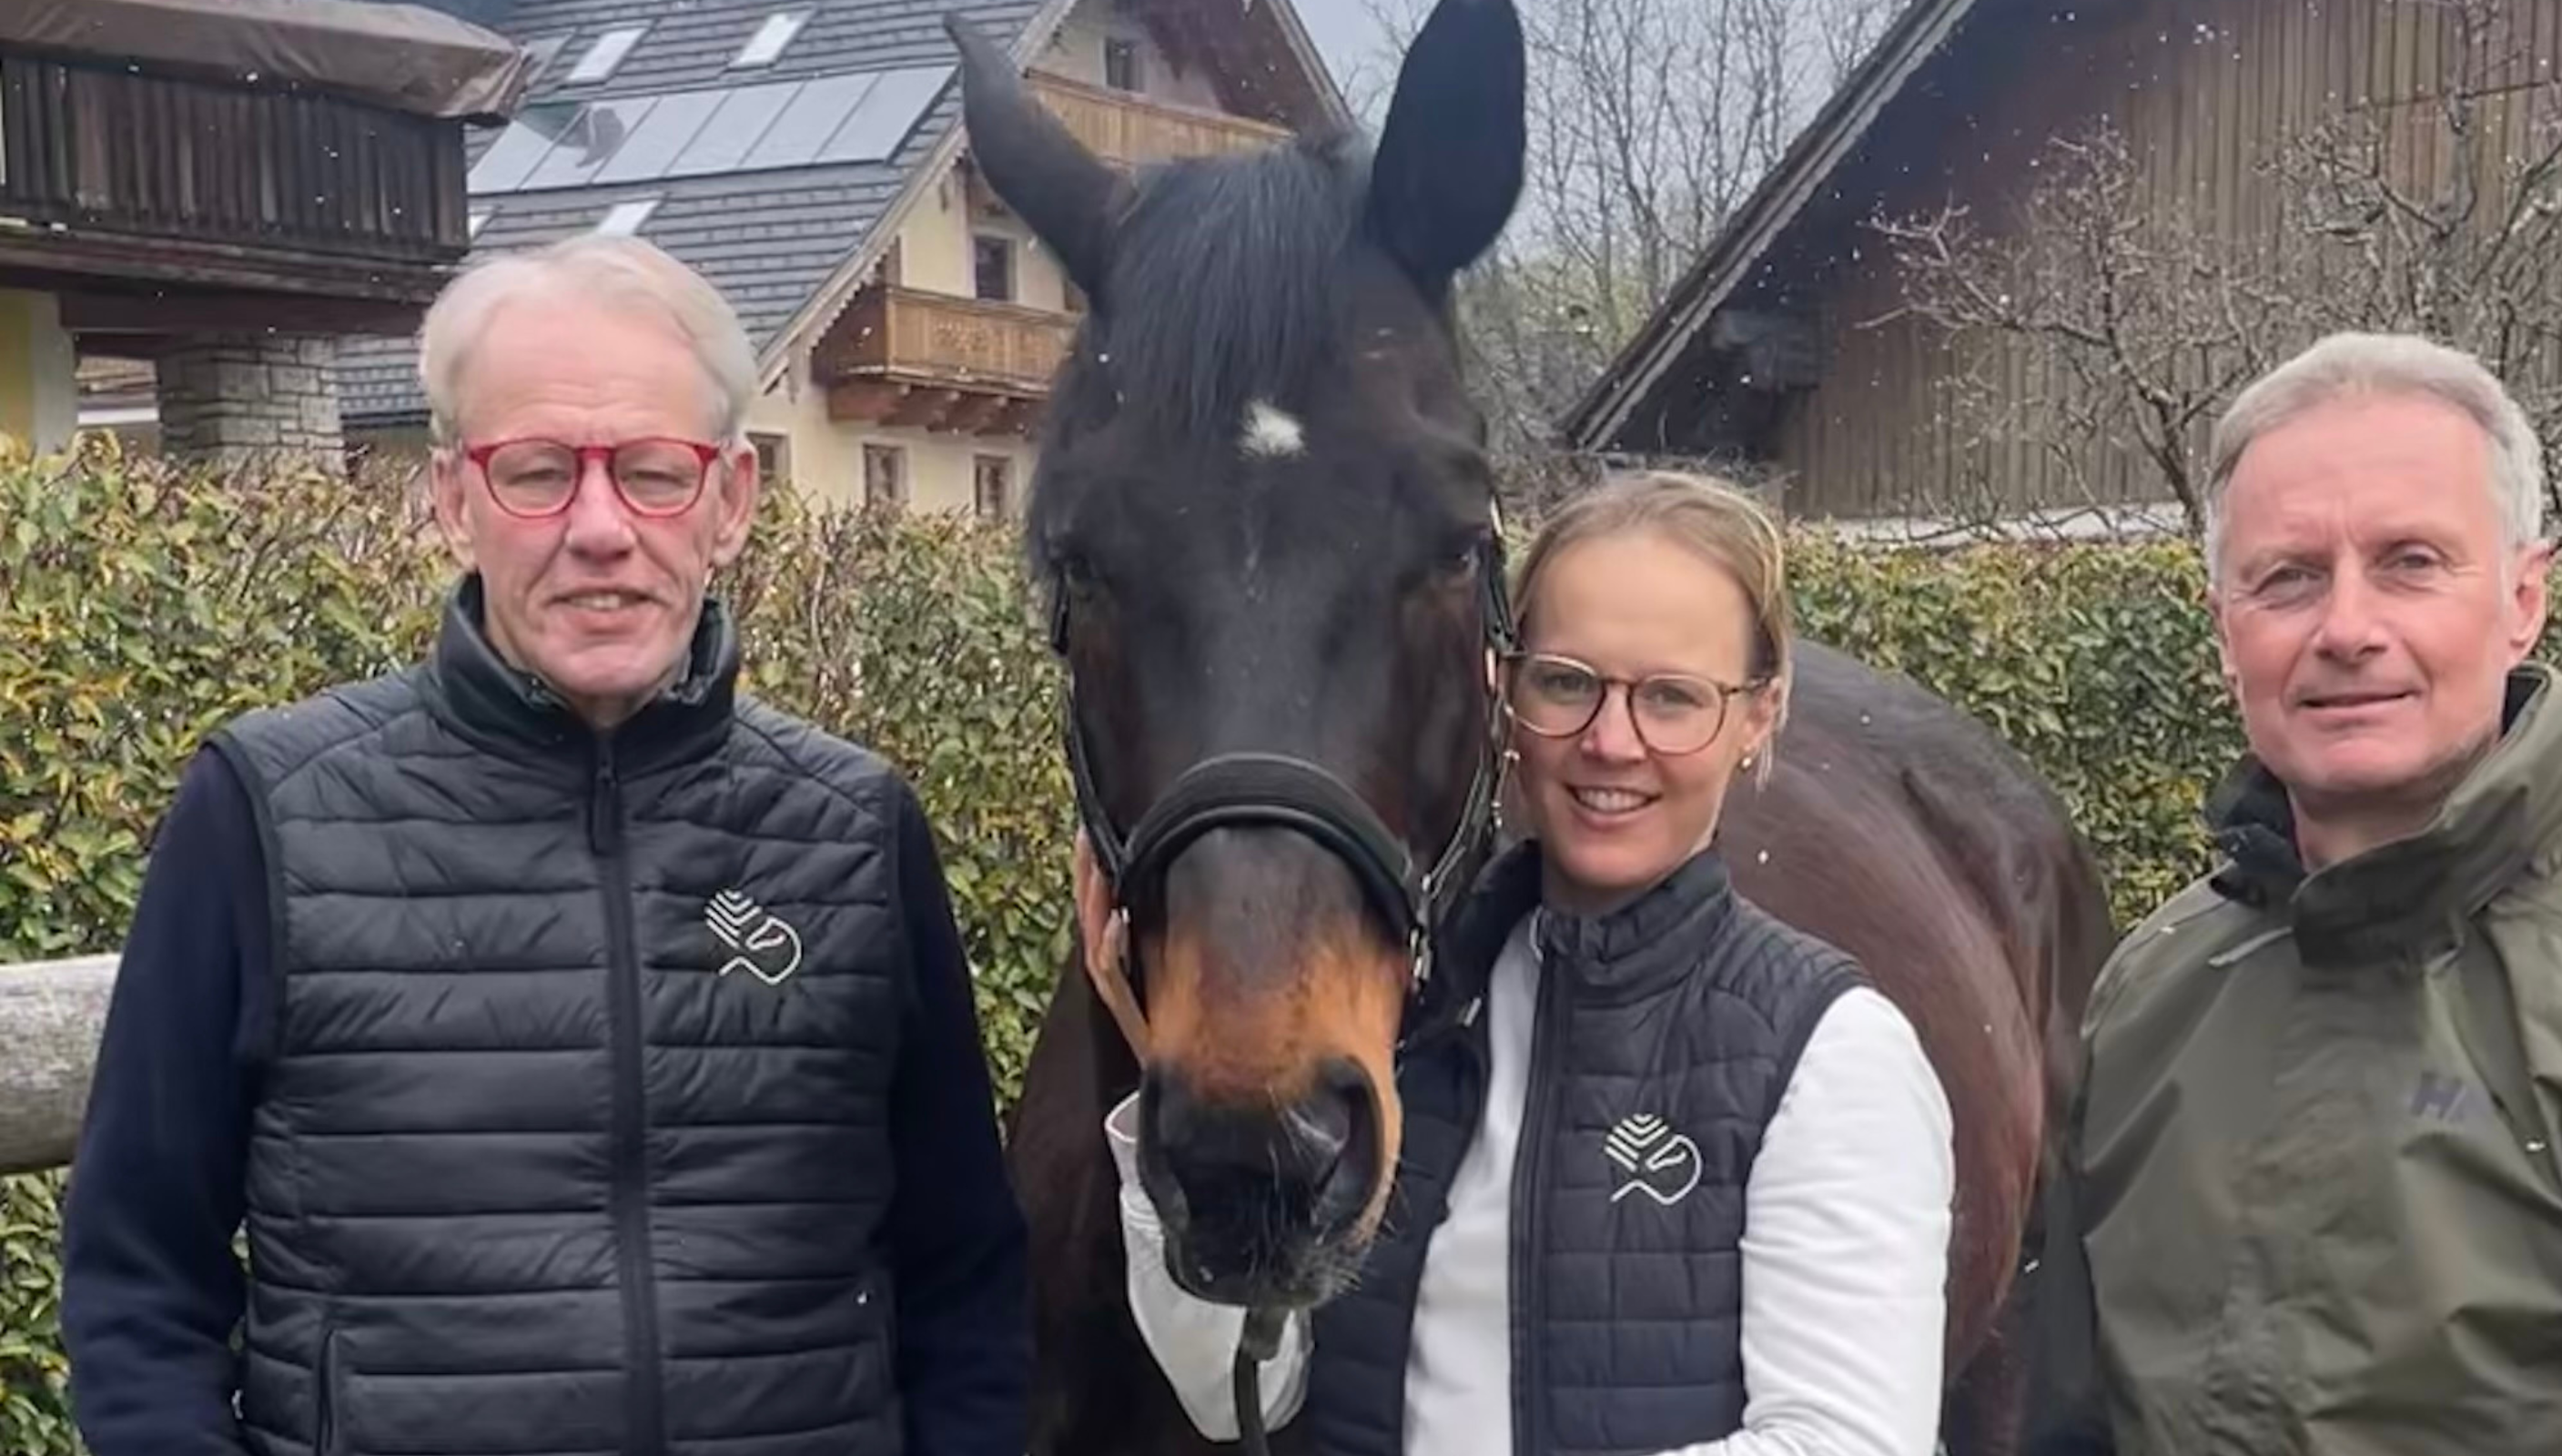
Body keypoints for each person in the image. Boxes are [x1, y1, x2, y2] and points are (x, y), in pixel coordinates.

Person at [58, 235, 1030, 1456]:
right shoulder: (264, 812)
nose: (600, 527)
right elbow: (139, 1278)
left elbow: (963, 1279)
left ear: (731, 501)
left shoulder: (854, 828)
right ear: (453, 499)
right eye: (537, 472)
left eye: (652, 472)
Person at [2034, 331, 2562, 1454]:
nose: (2345, 629)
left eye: (2409, 561)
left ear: (2521, 599)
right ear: (2223, 632)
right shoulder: (2152, 996)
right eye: (2286, 577)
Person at [1072, 470, 1958, 1455]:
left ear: (1759, 716)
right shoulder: (1404, 1012)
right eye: (1566, 682)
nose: (1610, 742)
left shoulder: (1830, 1054)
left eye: (1672, 698)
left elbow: (1844, 1442)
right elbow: (1240, 1390)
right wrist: (1172, 1070)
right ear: (1500, 689)